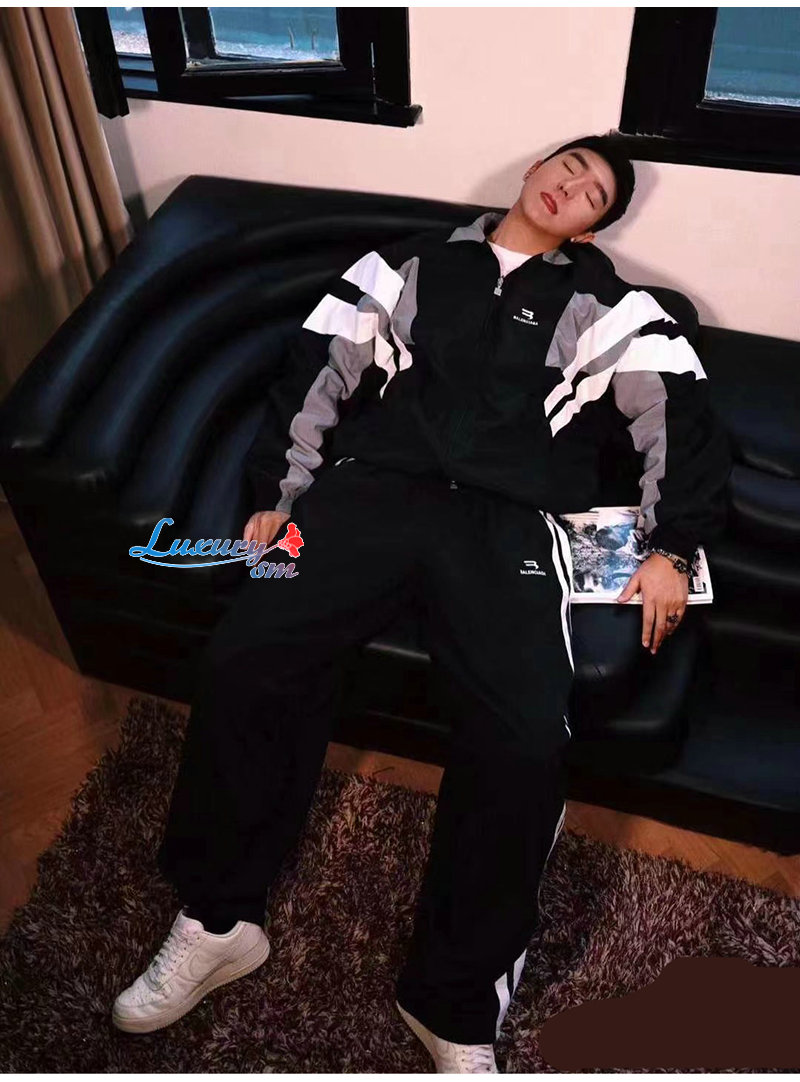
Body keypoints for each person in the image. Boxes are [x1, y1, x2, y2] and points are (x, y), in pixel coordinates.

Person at [111, 131, 732, 1071]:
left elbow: (679, 418)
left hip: (508, 525)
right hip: (370, 492)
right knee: (246, 659)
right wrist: (277, 496)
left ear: (594, 227)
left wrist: (673, 547)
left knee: (525, 740)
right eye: (568, 166)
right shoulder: (402, 265)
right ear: (532, 171)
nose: (572, 186)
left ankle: (451, 998)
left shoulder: (613, 308)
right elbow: (314, 370)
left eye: (595, 192)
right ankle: (219, 919)